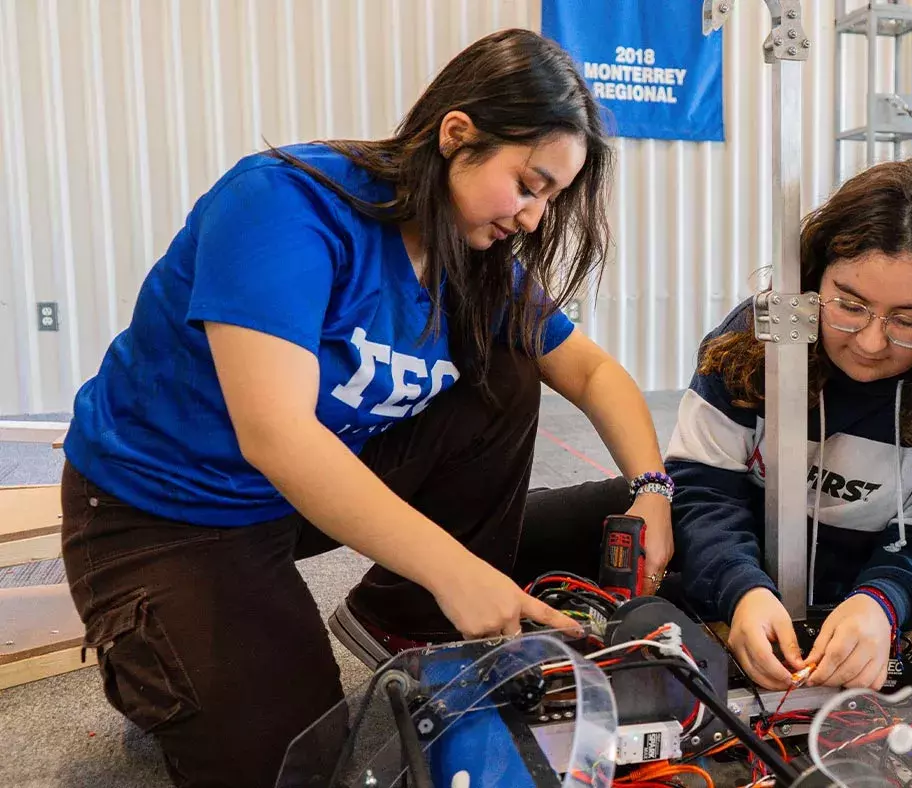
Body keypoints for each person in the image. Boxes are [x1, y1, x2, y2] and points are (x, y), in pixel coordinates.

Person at [59, 29, 673, 788]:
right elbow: (278, 435)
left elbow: (591, 371)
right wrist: (458, 569)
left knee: (509, 367)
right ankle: (150, 651)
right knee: (299, 762)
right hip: (165, 514)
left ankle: (400, 616)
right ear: (458, 135)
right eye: (529, 183)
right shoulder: (283, 204)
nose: (533, 218)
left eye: (551, 198)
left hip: (287, 499)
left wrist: (654, 490)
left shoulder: (470, 255)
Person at [537, 158, 912, 692]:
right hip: (731, 565)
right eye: (850, 306)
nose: (871, 341)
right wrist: (741, 589)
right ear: (811, 281)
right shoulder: (754, 341)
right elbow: (703, 488)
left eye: (907, 320)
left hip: (860, 595)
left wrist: (881, 605)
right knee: (525, 531)